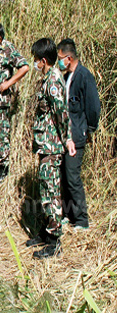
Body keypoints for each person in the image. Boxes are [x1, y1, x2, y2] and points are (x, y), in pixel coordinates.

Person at [26, 38, 76, 259]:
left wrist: (66, 140)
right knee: (46, 191)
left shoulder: (53, 80)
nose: (35, 63)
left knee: (51, 194)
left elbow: (61, 113)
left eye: (36, 60)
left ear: (43, 60)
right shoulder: (48, 78)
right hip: (46, 146)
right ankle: (46, 233)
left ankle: (54, 242)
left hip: (52, 146)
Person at [57, 39, 100, 230]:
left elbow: (93, 106)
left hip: (77, 134)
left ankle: (82, 219)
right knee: (64, 176)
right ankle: (69, 214)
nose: (59, 62)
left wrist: (89, 129)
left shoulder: (84, 76)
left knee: (73, 177)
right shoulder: (67, 77)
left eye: (60, 58)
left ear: (69, 57)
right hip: (66, 136)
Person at [0, 21, 29, 187]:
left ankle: (4, 169)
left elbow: (24, 67)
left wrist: (8, 83)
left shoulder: (8, 49)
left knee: (0, 135)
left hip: (0, 101)